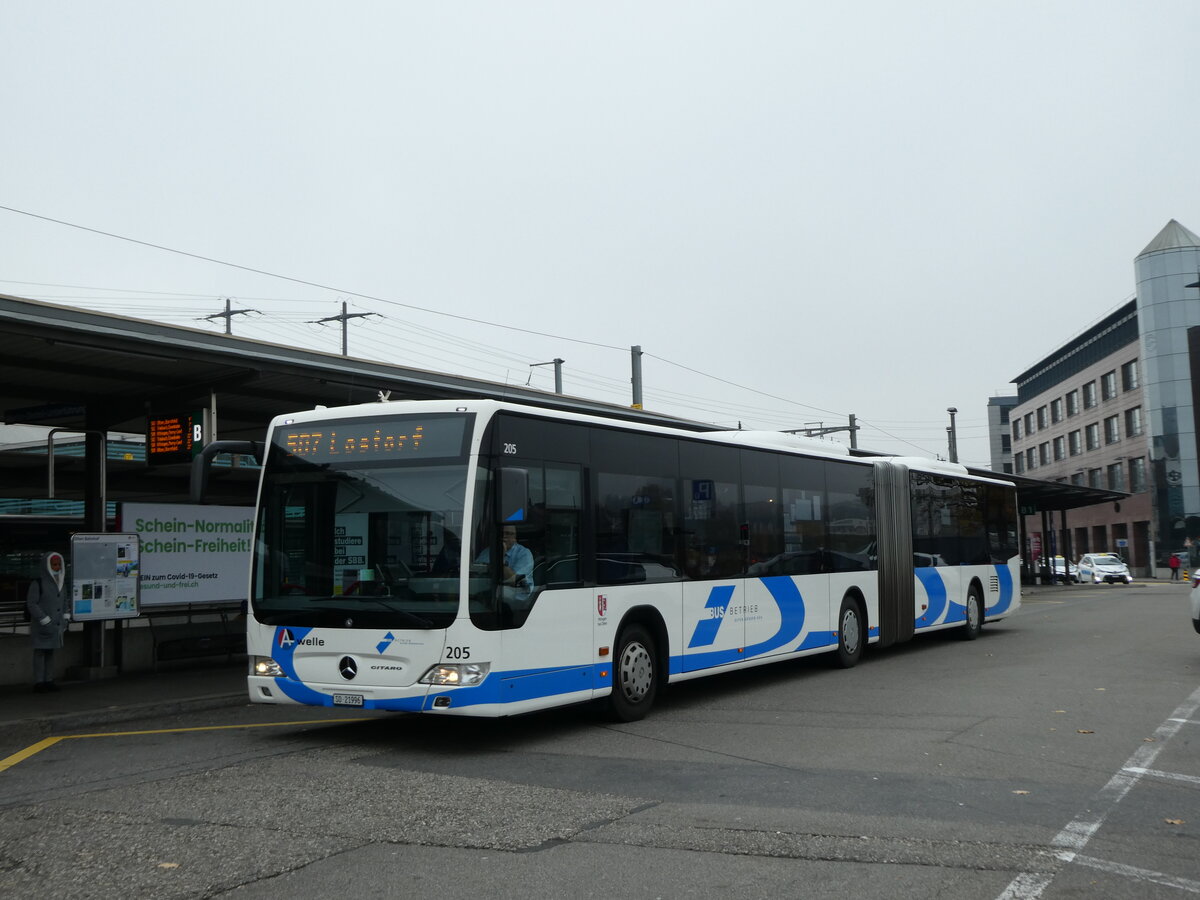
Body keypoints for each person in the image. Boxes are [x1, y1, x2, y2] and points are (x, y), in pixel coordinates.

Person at [26, 551, 69, 693]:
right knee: (40, 652)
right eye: (54, 564)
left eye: (58, 564)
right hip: (42, 625)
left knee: (50, 653)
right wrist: (44, 619)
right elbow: (32, 603)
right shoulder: (37, 583)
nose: (57, 567)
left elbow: (64, 601)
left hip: (56, 624)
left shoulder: (61, 582)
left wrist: (65, 617)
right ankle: (39, 681)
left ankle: (49, 680)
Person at [477, 525, 535, 603]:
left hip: (517, 601)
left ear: (515, 537)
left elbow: (514, 580)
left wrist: (501, 558)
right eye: (502, 533)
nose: (504, 537)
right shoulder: (487, 552)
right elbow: (476, 573)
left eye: (508, 534)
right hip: (489, 595)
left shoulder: (524, 553)